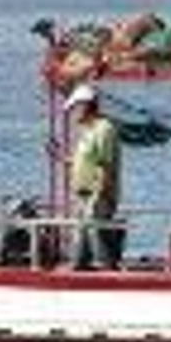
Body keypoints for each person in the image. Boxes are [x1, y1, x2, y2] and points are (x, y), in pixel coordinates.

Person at [65, 84, 122, 270]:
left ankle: (109, 274)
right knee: (81, 238)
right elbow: (85, 161)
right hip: (83, 195)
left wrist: (99, 195)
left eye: (75, 108)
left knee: (97, 235)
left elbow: (105, 164)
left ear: (86, 105)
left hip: (97, 195)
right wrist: (65, 160)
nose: (73, 113)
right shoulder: (87, 131)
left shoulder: (104, 129)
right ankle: (78, 268)